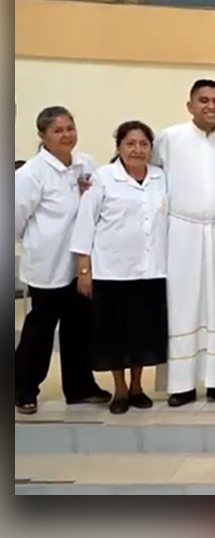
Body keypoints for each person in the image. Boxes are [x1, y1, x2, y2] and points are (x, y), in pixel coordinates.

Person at [153, 79, 215, 407]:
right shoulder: (170, 138)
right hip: (182, 231)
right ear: (190, 105)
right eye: (204, 100)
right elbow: (151, 179)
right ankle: (181, 384)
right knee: (183, 304)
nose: (211, 106)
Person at [14, 107, 110, 414]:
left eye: (70, 128)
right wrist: (37, 241)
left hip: (80, 263)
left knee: (80, 326)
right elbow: (15, 218)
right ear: (42, 136)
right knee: (40, 330)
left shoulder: (86, 164)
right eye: (58, 131)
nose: (66, 135)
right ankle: (23, 388)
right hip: (47, 264)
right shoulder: (30, 174)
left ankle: (80, 387)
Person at [70, 121, 169, 414]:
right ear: (119, 147)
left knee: (143, 333)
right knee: (114, 335)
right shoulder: (102, 178)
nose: (137, 150)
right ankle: (120, 390)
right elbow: (85, 222)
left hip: (151, 270)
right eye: (130, 144)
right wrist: (84, 270)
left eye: (143, 144)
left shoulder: (160, 177)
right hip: (112, 271)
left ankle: (137, 387)